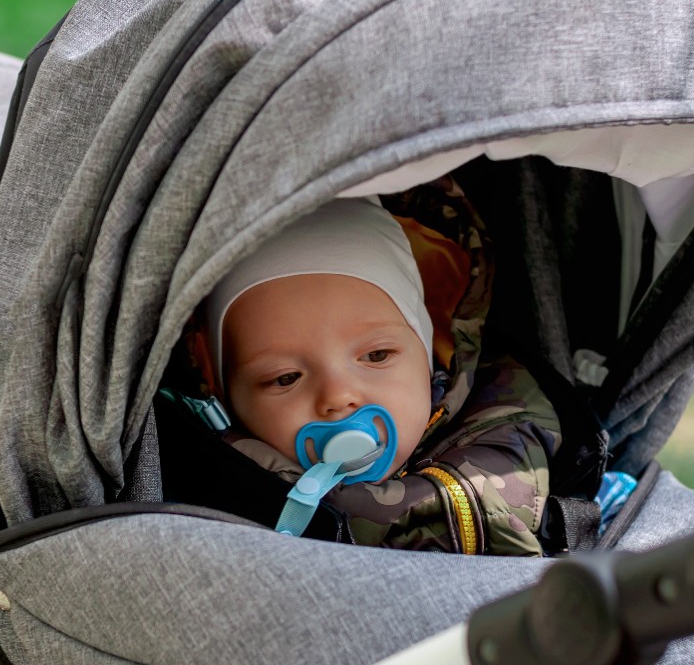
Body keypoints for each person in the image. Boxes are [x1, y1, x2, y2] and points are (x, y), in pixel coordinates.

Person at [186, 186, 562, 556]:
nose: (337, 396)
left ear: (431, 350)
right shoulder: (207, 505)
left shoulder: (516, 430)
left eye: (377, 355)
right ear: (223, 396)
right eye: (286, 378)